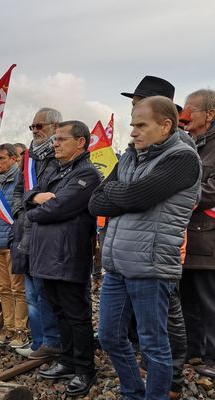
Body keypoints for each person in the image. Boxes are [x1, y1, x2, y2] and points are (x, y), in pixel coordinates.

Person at [89, 96, 201, 400]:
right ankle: (133, 392)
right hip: (117, 264)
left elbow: (136, 197)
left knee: (153, 344)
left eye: (141, 125)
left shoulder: (182, 158)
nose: (133, 132)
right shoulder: (129, 156)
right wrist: (124, 195)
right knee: (110, 336)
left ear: (165, 125)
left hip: (150, 267)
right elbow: (96, 201)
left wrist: (121, 195)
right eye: (132, 125)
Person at [121, 75, 191, 398]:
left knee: (167, 318)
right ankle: (158, 374)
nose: (132, 111)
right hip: (136, 246)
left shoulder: (182, 149)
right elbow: (102, 196)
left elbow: (139, 196)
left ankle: (172, 379)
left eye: (137, 104)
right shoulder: (135, 149)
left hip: (161, 248)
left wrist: (128, 196)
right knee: (154, 322)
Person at [26, 121, 100, 396]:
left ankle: (84, 368)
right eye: (55, 139)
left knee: (76, 314)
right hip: (47, 254)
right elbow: (30, 195)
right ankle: (68, 360)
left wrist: (34, 210)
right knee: (59, 311)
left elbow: (57, 208)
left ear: (80, 142)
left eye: (61, 139)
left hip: (68, 254)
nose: (55, 143)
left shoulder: (87, 174)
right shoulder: (56, 168)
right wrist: (37, 200)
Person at [12, 108, 61, 359]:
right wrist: (22, 214)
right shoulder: (29, 158)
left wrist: (32, 208)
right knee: (32, 294)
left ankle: (53, 341)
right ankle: (39, 341)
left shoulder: (61, 155)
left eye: (39, 126)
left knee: (45, 293)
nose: (35, 131)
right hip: (26, 231)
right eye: (32, 127)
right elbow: (19, 192)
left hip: (47, 233)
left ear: (55, 126)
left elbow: (54, 196)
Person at [180, 89, 215, 380]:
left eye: (191, 111)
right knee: (187, 297)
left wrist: (175, 196)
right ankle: (193, 349)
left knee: (209, 300)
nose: (185, 117)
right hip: (186, 236)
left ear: (210, 115)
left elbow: (210, 191)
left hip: (208, 238)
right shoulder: (189, 143)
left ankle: (213, 357)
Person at [0, 143, 29, 348]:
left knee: (18, 289)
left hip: (12, 243)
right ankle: (9, 328)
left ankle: (21, 330)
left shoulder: (21, 182)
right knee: (3, 288)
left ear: (13, 159)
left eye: (1, 158)